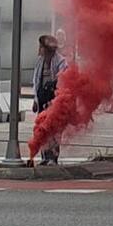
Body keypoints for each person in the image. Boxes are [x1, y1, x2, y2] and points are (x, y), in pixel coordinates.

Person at [31, 33, 68, 165]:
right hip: (42, 100)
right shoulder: (40, 62)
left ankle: (53, 156)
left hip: (54, 100)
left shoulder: (60, 61)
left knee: (54, 129)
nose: (39, 49)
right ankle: (44, 156)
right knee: (42, 129)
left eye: (41, 47)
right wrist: (35, 100)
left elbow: (63, 79)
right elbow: (36, 82)